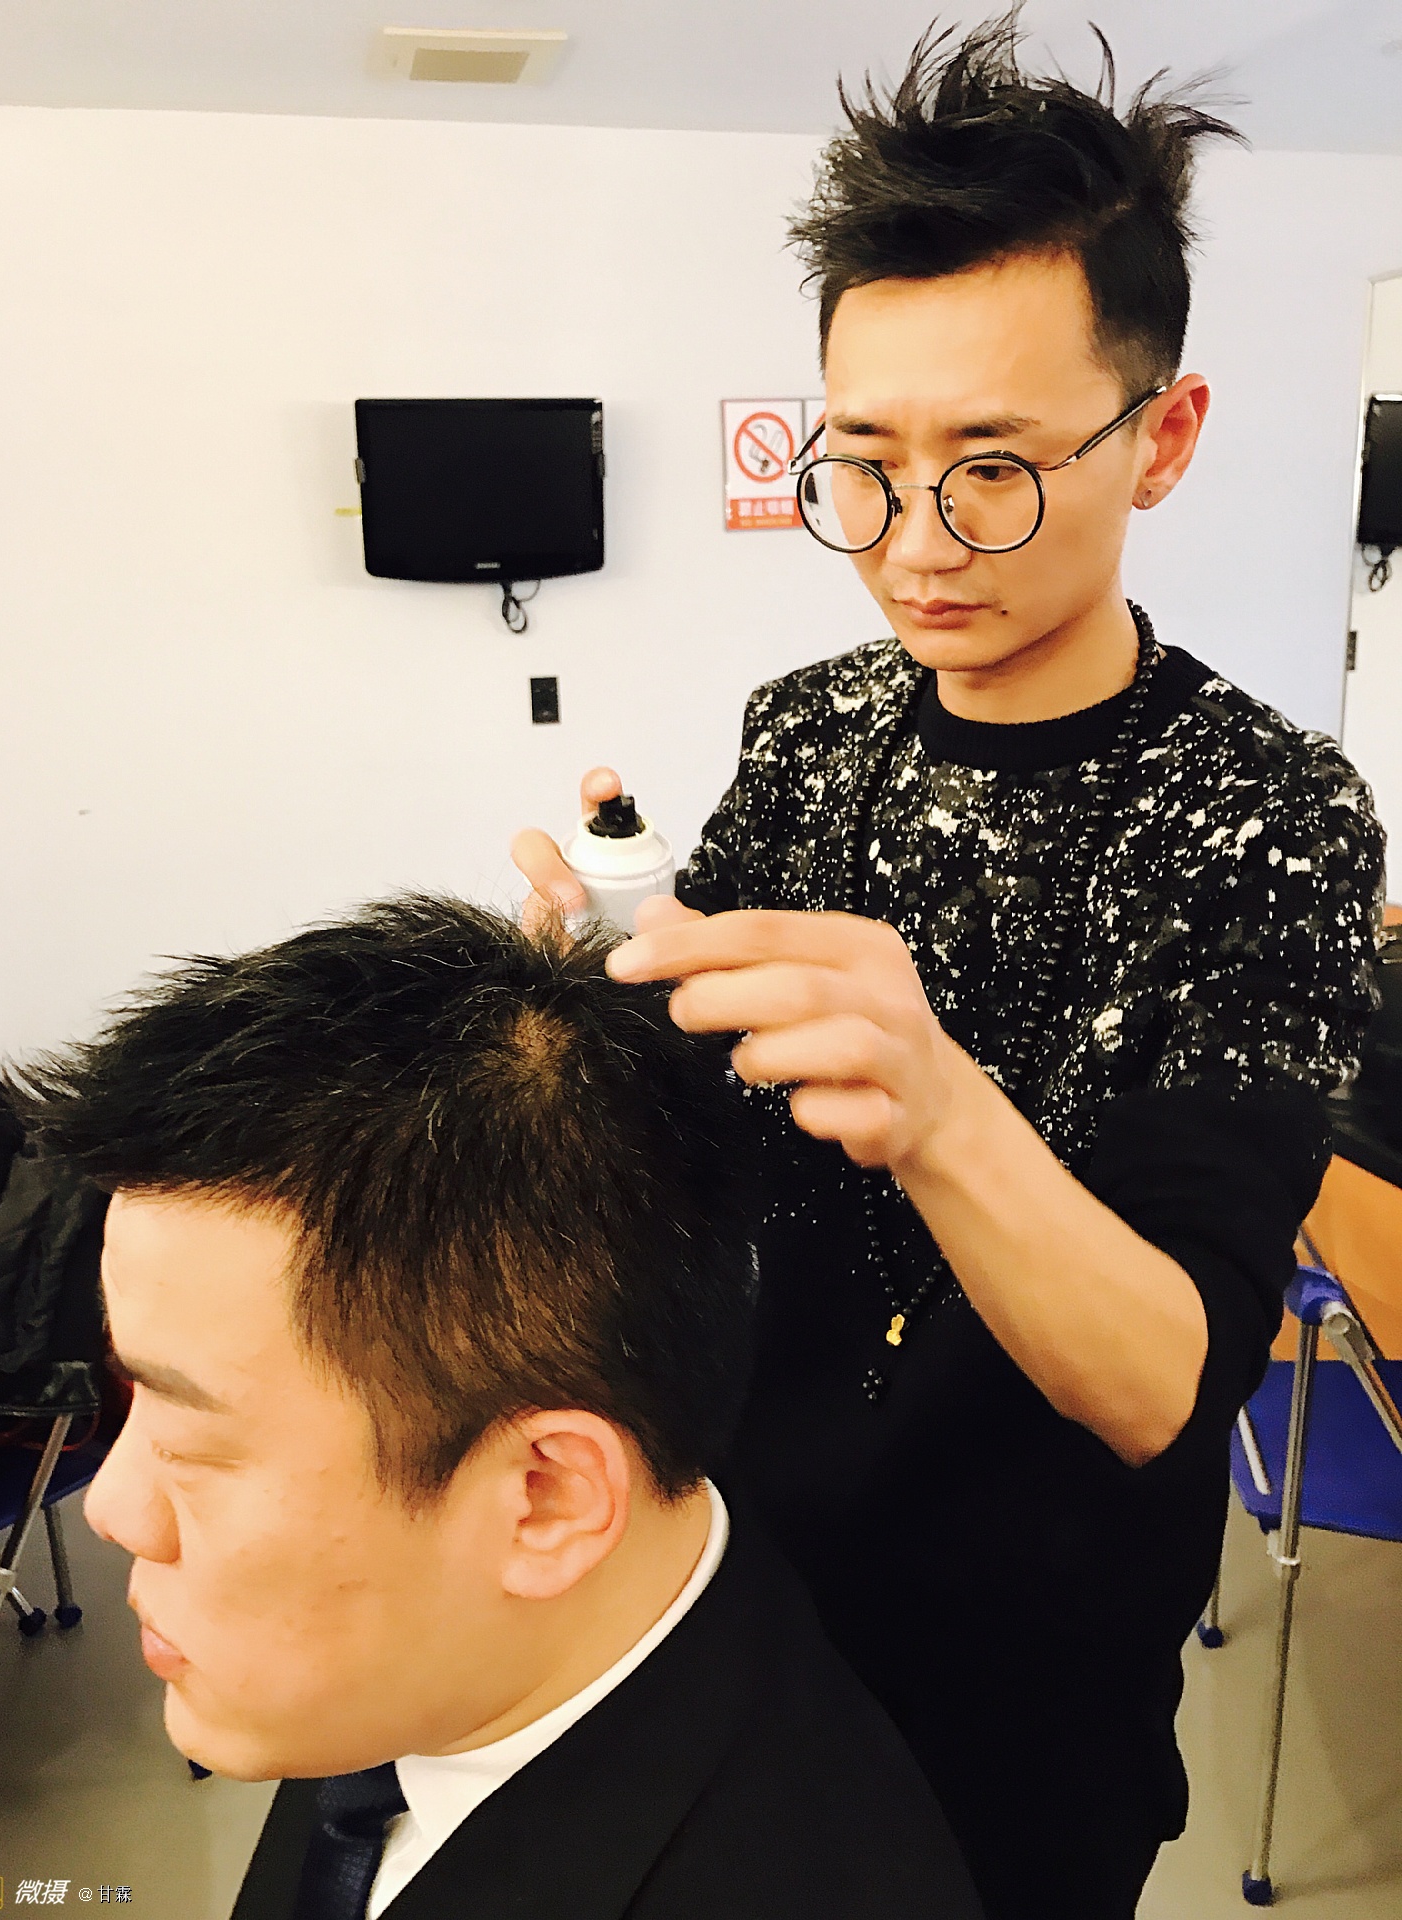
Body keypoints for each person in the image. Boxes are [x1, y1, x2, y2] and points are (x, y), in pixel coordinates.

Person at [511, 20, 1386, 1920]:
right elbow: (699, 1087)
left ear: (1163, 436)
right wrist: (596, 984)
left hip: (1022, 1689)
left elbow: (1165, 1381)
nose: (915, 547)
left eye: (992, 469)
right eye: (865, 468)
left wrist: (940, 1109)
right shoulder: (815, 728)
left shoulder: (1268, 816)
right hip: (719, 1585)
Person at [10, 897, 981, 1920]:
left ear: (546, 1498)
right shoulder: (441, 1654)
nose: (112, 1510)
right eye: (132, 1394)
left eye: (195, 1447)